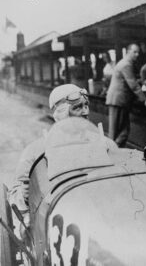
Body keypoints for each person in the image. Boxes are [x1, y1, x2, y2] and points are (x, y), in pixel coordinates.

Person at [8, 84, 118, 232]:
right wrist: (24, 194)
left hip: (103, 215)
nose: (85, 112)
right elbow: (14, 195)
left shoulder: (106, 143)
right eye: (77, 107)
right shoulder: (35, 151)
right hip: (58, 221)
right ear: (61, 113)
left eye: (86, 105)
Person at [106, 43, 146, 147]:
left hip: (119, 100)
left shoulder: (125, 63)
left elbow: (130, 81)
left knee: (121, 131)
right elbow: (133, 84)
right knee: (118, 132)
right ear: (128, 52)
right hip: (119, 100)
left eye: (138, 52)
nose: (137, 54)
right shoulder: (126, 64)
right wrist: (144, 100)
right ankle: (113, 153)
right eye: (134, 52)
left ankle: (115, 151)